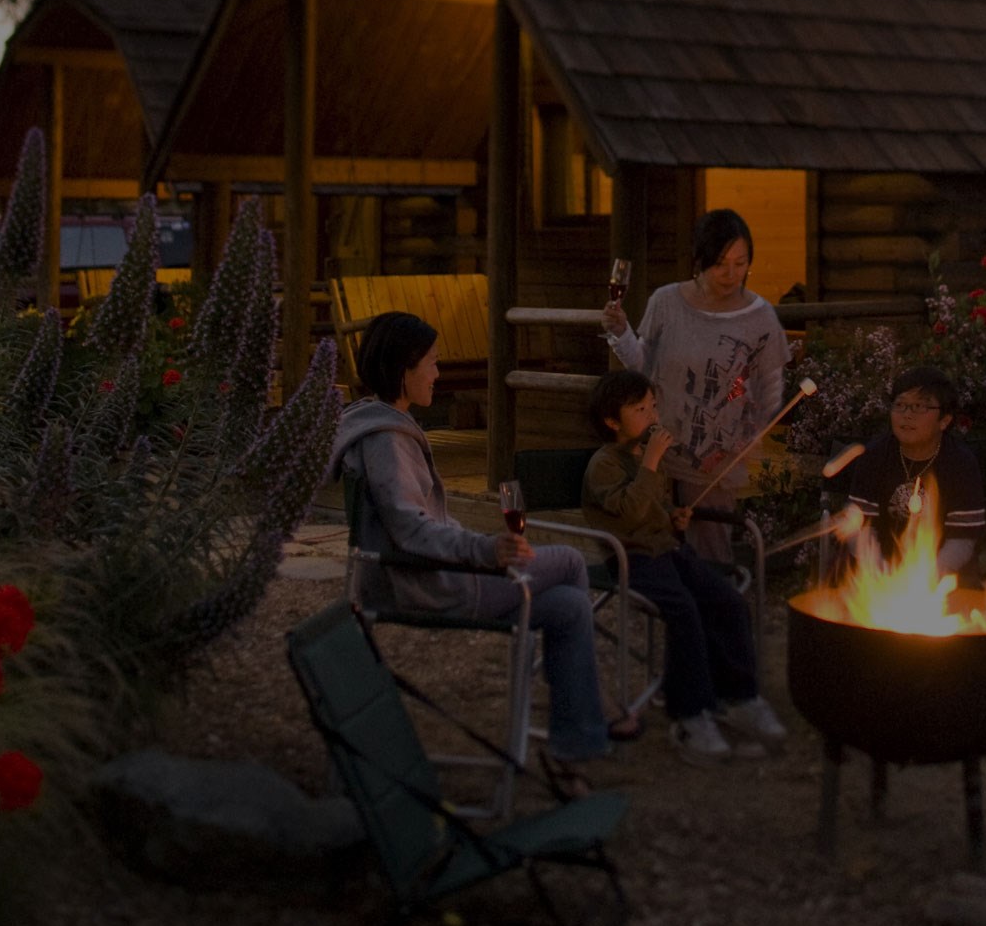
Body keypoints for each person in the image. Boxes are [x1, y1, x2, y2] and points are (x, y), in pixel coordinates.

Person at [328, 311, 626, 786]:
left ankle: (578, 738)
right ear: (405, 368)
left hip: (429, 575)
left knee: (569, 606)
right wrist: (485, 550)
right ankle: (592, 709)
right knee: (569, 560)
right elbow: (412, 529)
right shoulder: (386, 440)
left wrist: (480, 547)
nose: (438, 373)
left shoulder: (380, 425)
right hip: (427, 584)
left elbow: (422, 522)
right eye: (432, 362)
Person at [582, 369, 787, 766]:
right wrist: (653, 463)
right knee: (684, 612)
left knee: (726, 600)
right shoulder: (604, 464)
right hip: (631, 559)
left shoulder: (644, 456)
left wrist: (673, 516)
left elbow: (652, 512)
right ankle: (690, 714)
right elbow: (628, 511)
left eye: (653, 406)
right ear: (612, 420)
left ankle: (738, 696)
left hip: (668, 552)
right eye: (639, 409)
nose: (651, 415)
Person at [604, 209, 790, 564]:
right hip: (658, 453)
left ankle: (715, 618)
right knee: (658, 558)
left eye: (741, 263)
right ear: (700, 260)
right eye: (721, 264)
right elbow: (642, 364)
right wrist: (619, 332)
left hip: (711, 464)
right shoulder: (666, 302)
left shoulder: (759, 316)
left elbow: (771, 389)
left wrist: (748, 436)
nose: (732, 274)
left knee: (709, 560)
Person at [843, 366, 986, 581]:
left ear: (944, 420)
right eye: (900, 405)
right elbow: (859, 530)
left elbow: (962, 540)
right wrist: (882, 571)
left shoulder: (961, 464)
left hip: (943, 577)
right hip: (876, 573)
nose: (907, 415)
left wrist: (924, 577)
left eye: (919, 406)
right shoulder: (874, 457)